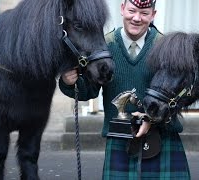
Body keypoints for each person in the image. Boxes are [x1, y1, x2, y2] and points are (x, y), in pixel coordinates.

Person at [59, 0, 191, 179]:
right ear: (122, 9)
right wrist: (69, 82)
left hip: (162, 136)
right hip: (119, 138)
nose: (137, 18)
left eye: (144, 13)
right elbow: (87, 91)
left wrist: (151, 119)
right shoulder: (103, 46)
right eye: (132, 11)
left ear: (153, 15)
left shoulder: (166, 48)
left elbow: (178, 98)